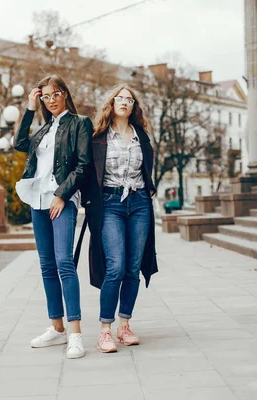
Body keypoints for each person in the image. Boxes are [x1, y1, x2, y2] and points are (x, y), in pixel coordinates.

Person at [14, 74, 93, 359]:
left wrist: (62, 194)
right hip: (38, 200)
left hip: (62, 200)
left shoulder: (79, 123)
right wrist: (28, 109)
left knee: (64, 262)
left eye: (55, 94)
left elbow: (83, 164)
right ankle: (56, 328)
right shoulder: (42, 130)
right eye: (45, 96)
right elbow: (19, 143)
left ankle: (75, 333)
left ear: (65, 94)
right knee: (47, 265)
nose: (51, 100)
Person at [80, 84, 158, 353]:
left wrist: (150, 188)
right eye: (120, 98)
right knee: (115, 265)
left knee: (133, 267)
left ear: (134, 106)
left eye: (130, 100)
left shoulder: (142, 138)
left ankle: (124, 326)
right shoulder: (98, 137)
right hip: (110, 204)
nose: (125, 102)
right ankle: (105, 330)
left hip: (139, 204)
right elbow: (87, 172)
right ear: (111, 103)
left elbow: (147, 169)